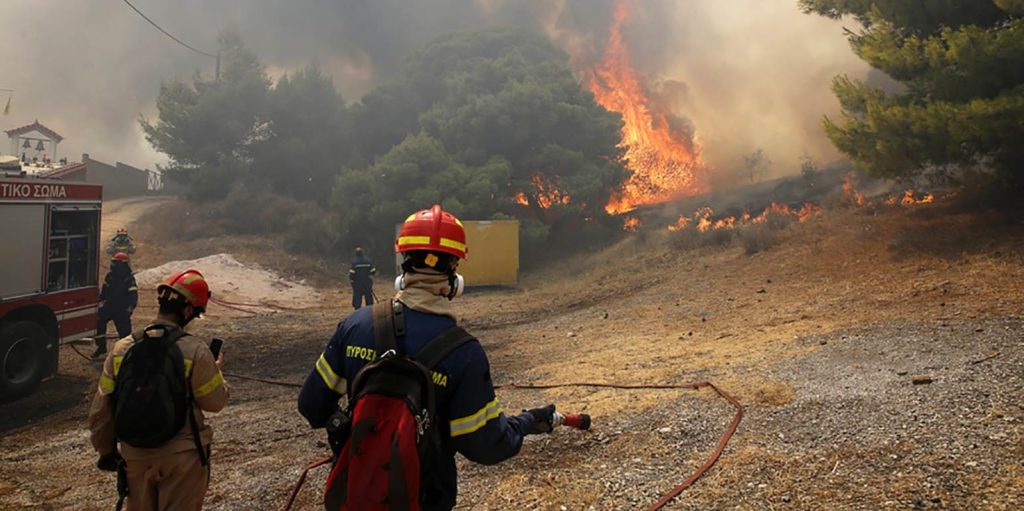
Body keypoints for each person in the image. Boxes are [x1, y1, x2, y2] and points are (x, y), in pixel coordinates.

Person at [298, 204, 555, 510]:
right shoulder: (465, 353)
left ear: (403, 262)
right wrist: (526, 422)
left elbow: (312, 406)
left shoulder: (354, 326)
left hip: (354, 493)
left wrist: (357, 434)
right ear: (454, 275)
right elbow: (485, 445)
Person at [88, 269, 229, 511]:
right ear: (187, 311)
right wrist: (216, 372)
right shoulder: (195, 350)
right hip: (181, 459)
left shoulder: (122, 348)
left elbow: (102, 408)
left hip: (134, 457)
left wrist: (106, 451)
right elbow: (214, 402)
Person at [93, 252, 138, 359]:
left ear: (122, 264)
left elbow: (133, 294)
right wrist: (98, 299)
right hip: (109, 305)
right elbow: (104, 292)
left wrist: (131, 306)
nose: (112, 265)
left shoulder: (129, 278)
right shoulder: (110, 276)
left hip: (122, 308)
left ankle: (125, 353)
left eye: (115, 263)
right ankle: (101, 347)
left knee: (125, 334)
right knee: (99, 321)